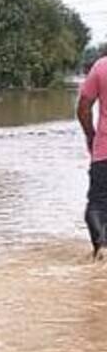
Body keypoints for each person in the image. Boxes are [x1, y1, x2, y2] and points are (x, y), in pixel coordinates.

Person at [77, 53, 107, 261]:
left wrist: (90, 136)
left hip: (104, 150)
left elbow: (83, 108)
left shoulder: (101, 67)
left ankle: (101, 246)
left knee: (97, 203)